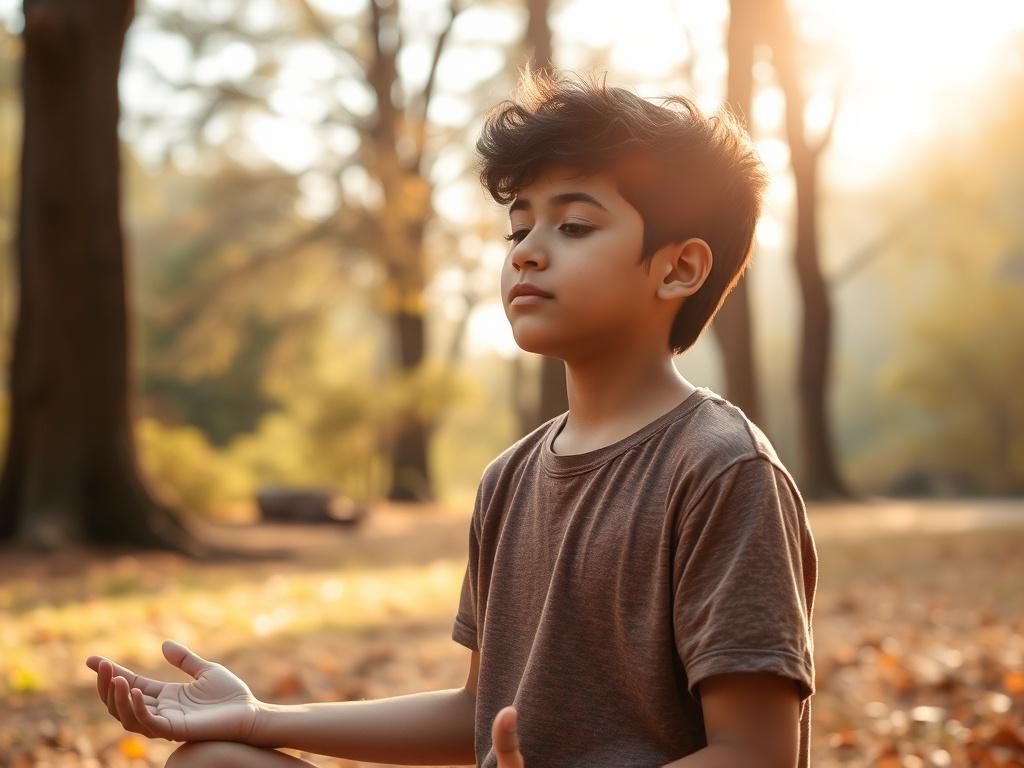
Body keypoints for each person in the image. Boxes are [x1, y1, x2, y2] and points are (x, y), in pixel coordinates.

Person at [85, 66, 817, 768]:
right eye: (518, 228)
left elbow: (754, 753)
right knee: (214, 760)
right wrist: (257, 720)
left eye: (574, 227)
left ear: (679, 268)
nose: (528, 253)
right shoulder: (509, 479)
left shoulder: (721, 469)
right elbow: (479, 710)